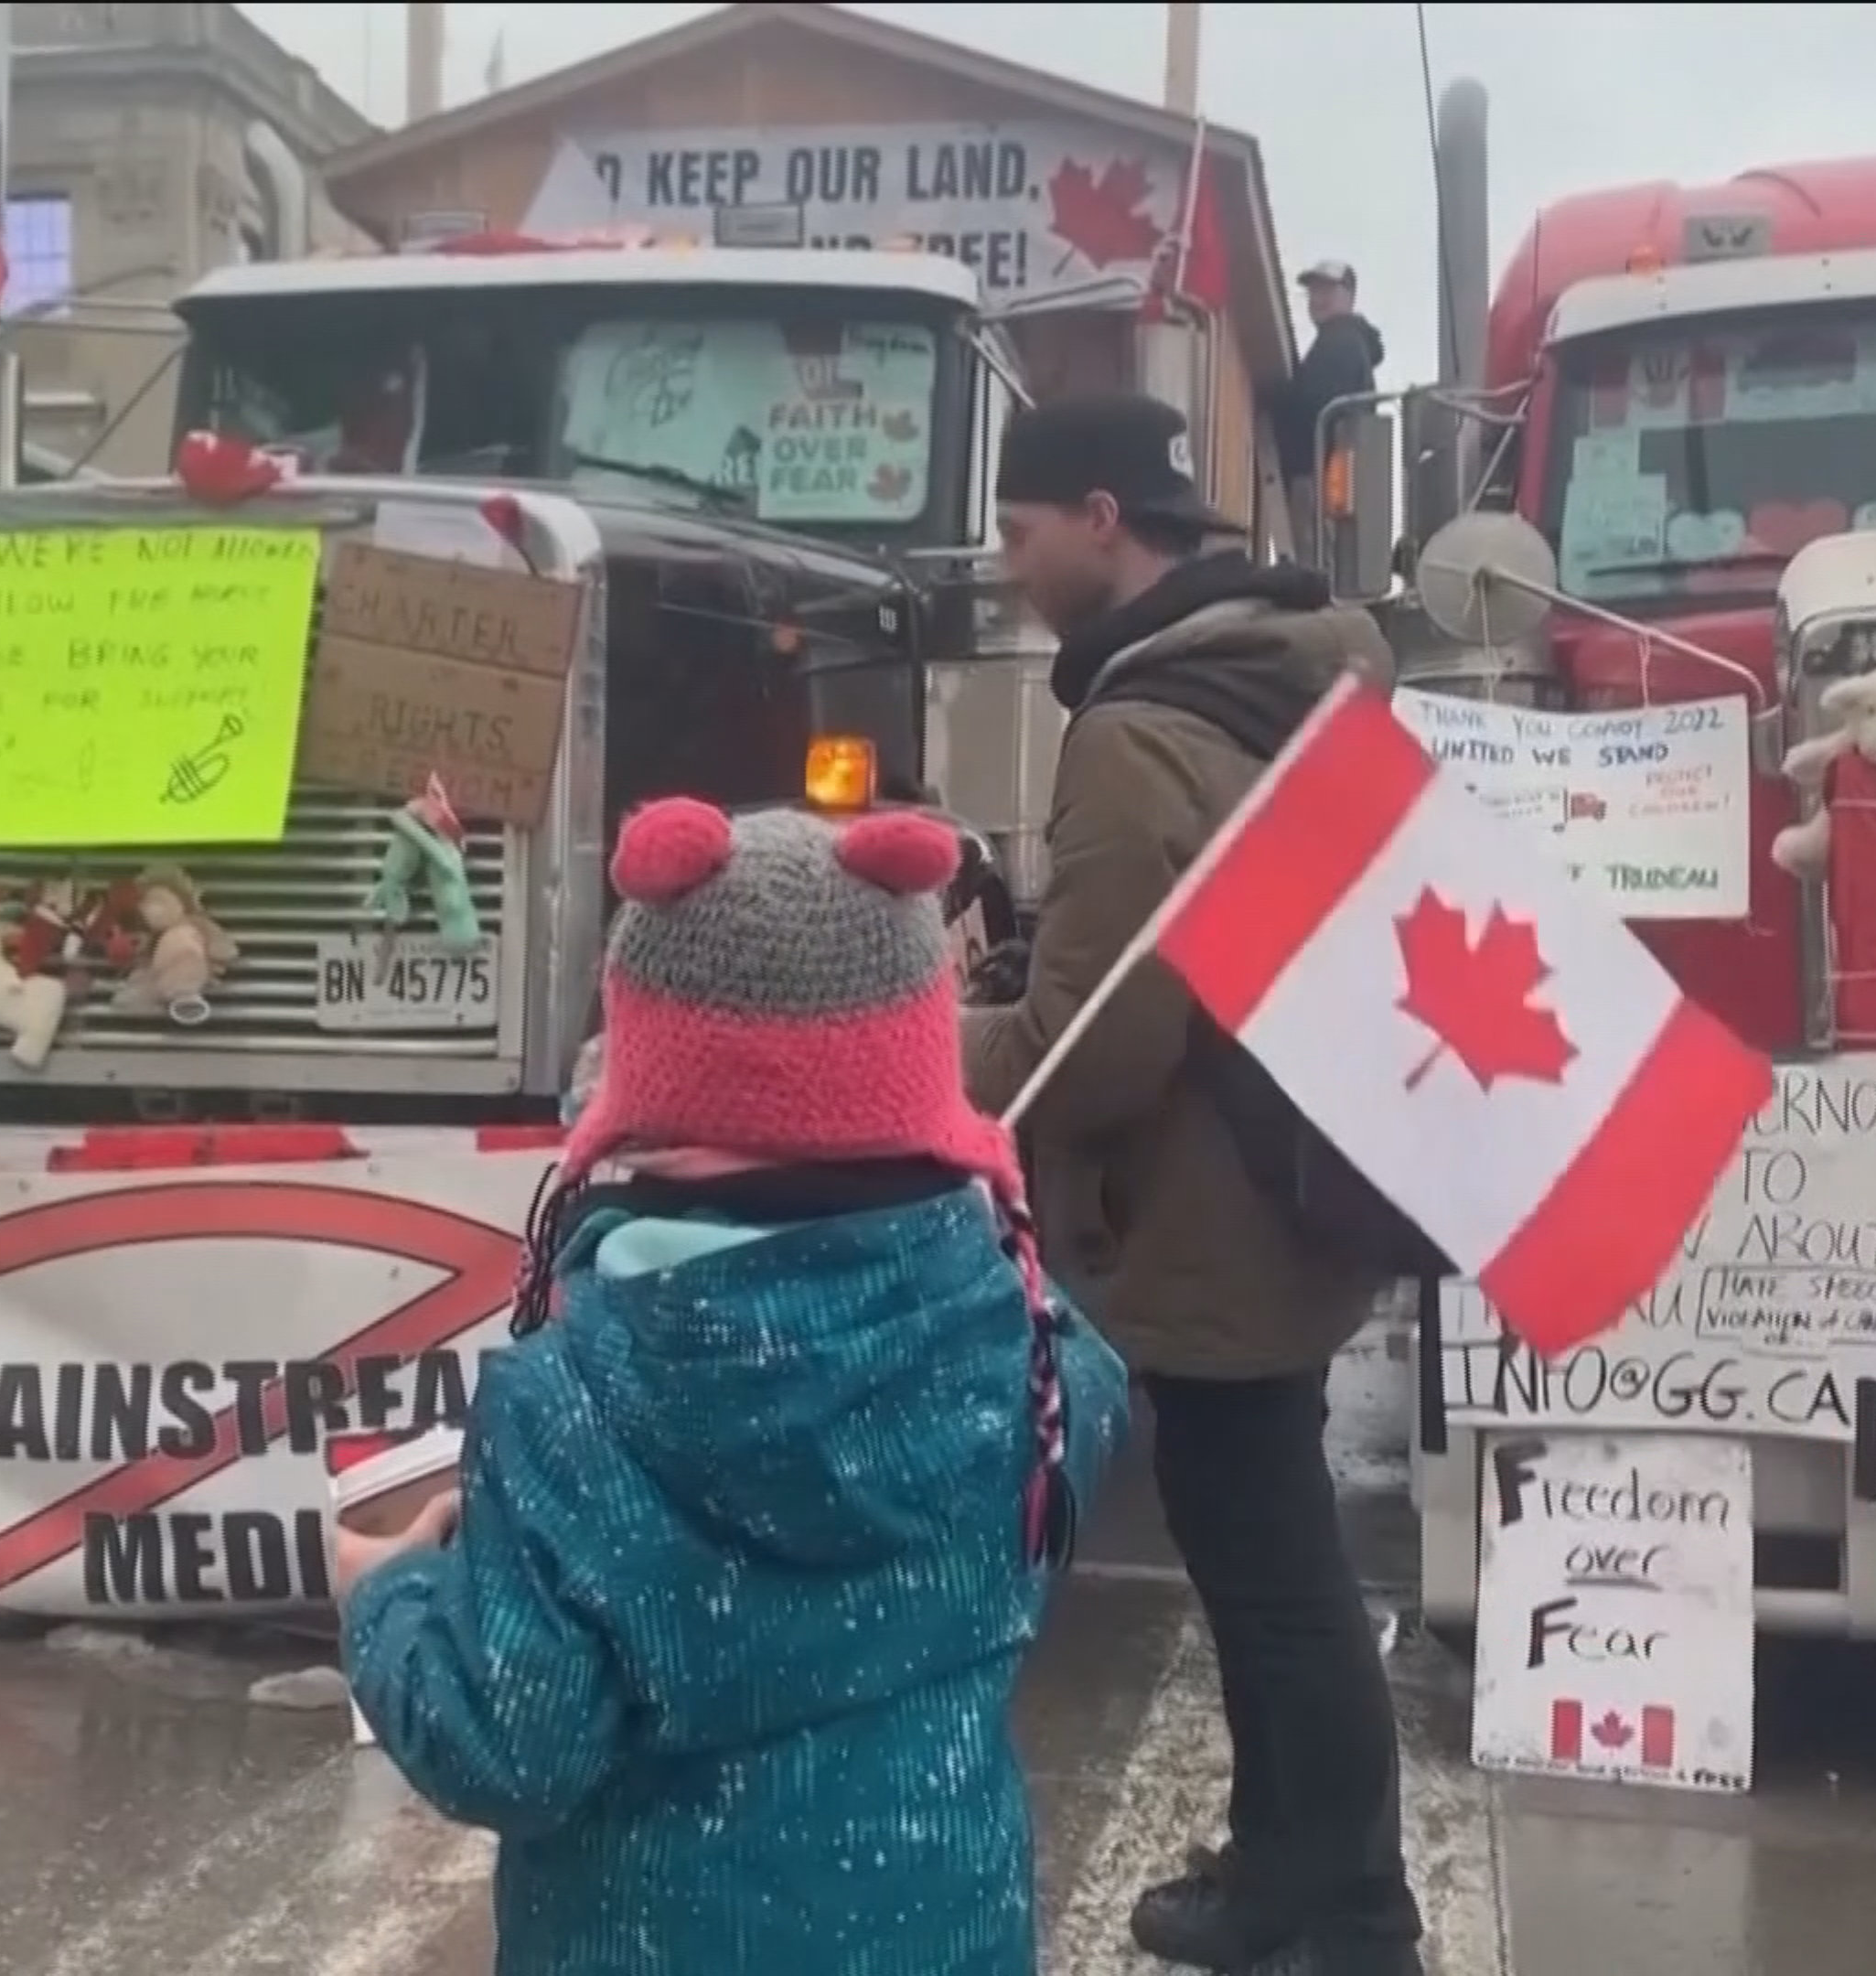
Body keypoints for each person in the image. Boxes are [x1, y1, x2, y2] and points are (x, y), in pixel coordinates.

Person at [332, 798, 1131, 1976]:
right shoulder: (1028, 1341)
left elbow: (508, 1749)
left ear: (652, 1088)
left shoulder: (571, 1404)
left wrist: (390, 1599)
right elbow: (1085, 1431)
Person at [962, 393, 1420, 1975]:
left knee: (1274, 1577)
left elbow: (1094, 1045)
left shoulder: (1134, 724)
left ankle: (1340, 1904)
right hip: (1313, 1169)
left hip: (1212, 1207)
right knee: (1276, 1559)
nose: (1013, 570)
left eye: (1021, 534)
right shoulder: (1302, 670)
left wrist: (920, 1034)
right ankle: (1315, 1885)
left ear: (1101, 516)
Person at [1270, 261, 1386, 489]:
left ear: (1350, 296)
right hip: (1331, 478)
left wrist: (1272, 399)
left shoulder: (1340, 341)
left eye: (1327, 290)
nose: (1317, 299)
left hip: (1318, 478)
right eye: (1313, 291)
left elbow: (1314, 401)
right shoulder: (1347, 341)